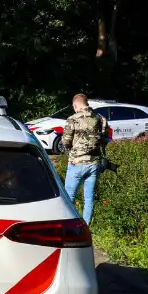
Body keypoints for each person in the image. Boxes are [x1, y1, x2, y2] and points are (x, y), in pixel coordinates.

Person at [60, 93, 109, 224]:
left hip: (77, 162)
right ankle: (85, 227)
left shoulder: (73, 119)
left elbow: (66, 142)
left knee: (69, 196)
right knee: (89, 198)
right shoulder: (101, 119)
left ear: (75, 105)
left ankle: (69, 226)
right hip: (94, 163)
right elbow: (104, 138)